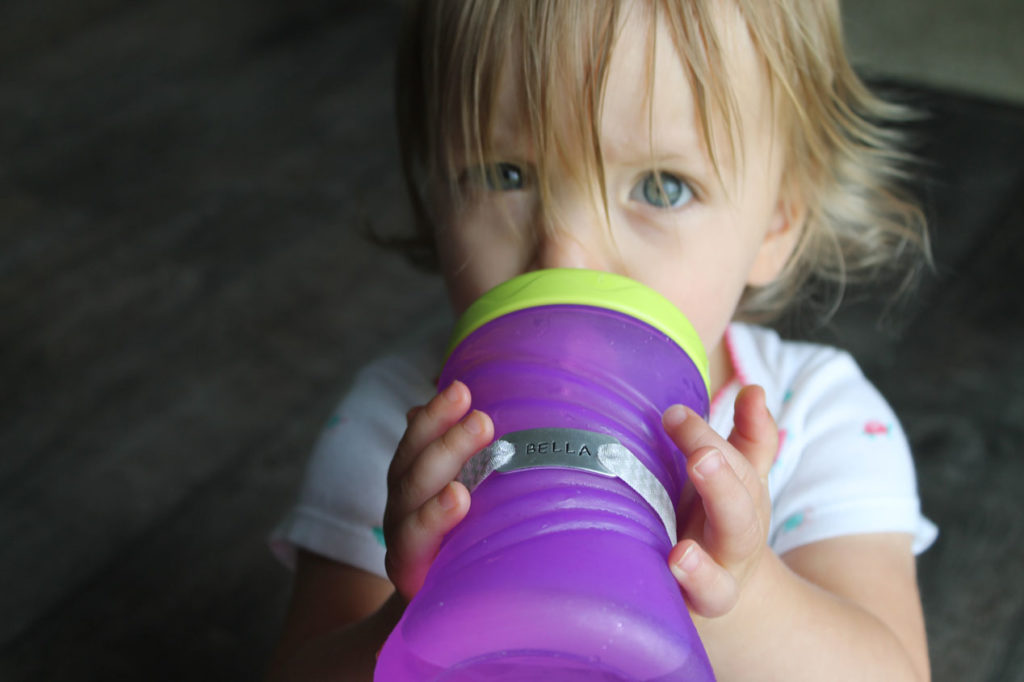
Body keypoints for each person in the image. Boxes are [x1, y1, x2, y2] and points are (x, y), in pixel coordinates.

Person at [266, 1, 937, 679]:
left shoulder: (816, 417)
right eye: (506, 174)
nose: (565, 257)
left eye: (661, 185)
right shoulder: (405, 434)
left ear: (778, 221)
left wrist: (738, 589)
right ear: (434, 191)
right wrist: (408, 608)